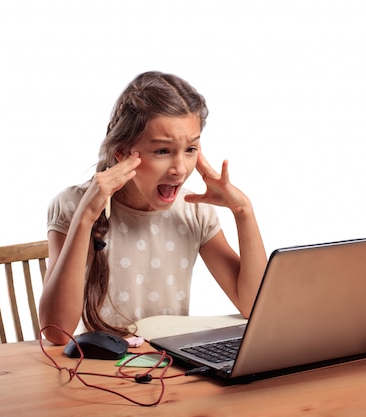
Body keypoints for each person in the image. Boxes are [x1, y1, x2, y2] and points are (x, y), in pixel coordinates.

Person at [39, 71, 267, 345]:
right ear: (122, 153)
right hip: (99, 372)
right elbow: (56, 332)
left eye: (190, 149)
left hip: (169, 369)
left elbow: (253, 306)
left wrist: (243, 211)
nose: (180, 169)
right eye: (162, 151)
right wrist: (85, 217)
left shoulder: (194, 211)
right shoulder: (72, 205)